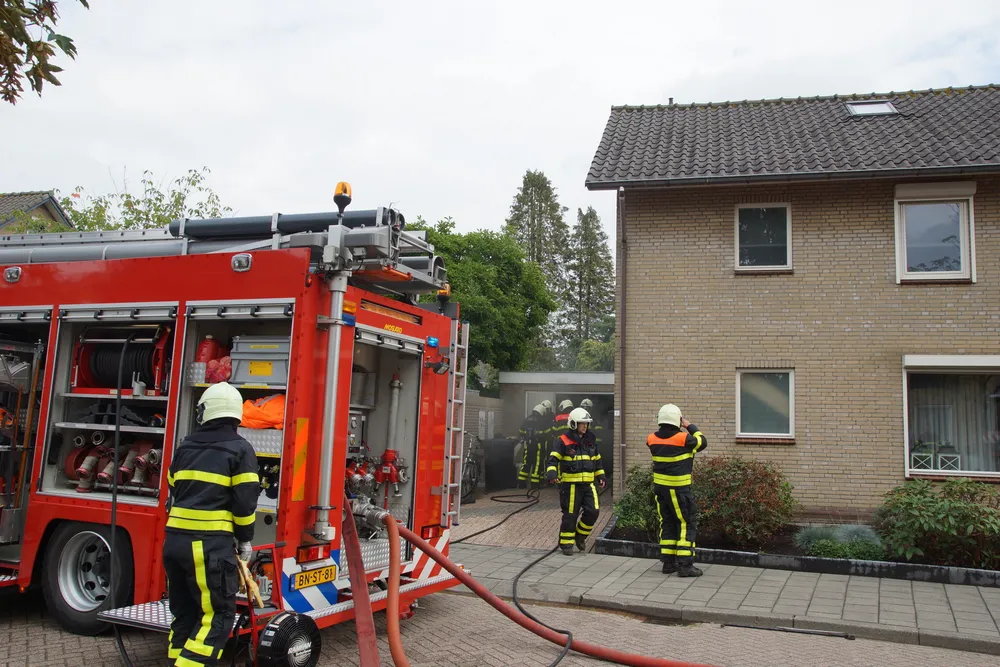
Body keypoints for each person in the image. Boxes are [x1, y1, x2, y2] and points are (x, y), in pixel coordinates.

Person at [163, 382, 259, 666]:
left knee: (185, 612)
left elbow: (173, 484)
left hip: (175, 543)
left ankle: (177, 659)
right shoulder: (240, 450)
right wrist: (245, 539)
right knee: (217, 615)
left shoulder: (185, 446)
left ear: (205, 411)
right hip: (208, 547)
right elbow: (244, 504)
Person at [646, 404, 707, 577]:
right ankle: (685, 565)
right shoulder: (684, 439)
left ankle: (668, 563)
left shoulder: (651, 439)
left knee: (667, 522)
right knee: (686, 523)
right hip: (679, 490)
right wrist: (689, 425)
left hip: (661, 490)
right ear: (677, 420)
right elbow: (702, 441)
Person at [546, 407, 606, 555]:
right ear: (573, 424)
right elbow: (553, 459)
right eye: (582, 423)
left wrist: (601, 476)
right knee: (570, 515)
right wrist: (552, 473)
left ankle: (580, 536)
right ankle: (566, 543)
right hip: (571, 486)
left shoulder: (591, 440)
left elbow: (597, 461)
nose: (585, 426)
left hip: (589, 485)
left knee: (593, 511)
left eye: (586, 423)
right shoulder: (563, 440)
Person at [517, 404, 547, 487]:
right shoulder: (542, 421)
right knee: (536, 464)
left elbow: (521, 431)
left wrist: (526, 436)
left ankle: (521, 483)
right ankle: (534, 483)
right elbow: (546, 434)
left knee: (526, 463)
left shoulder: (527, 420)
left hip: (528, 445)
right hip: (538, 446)